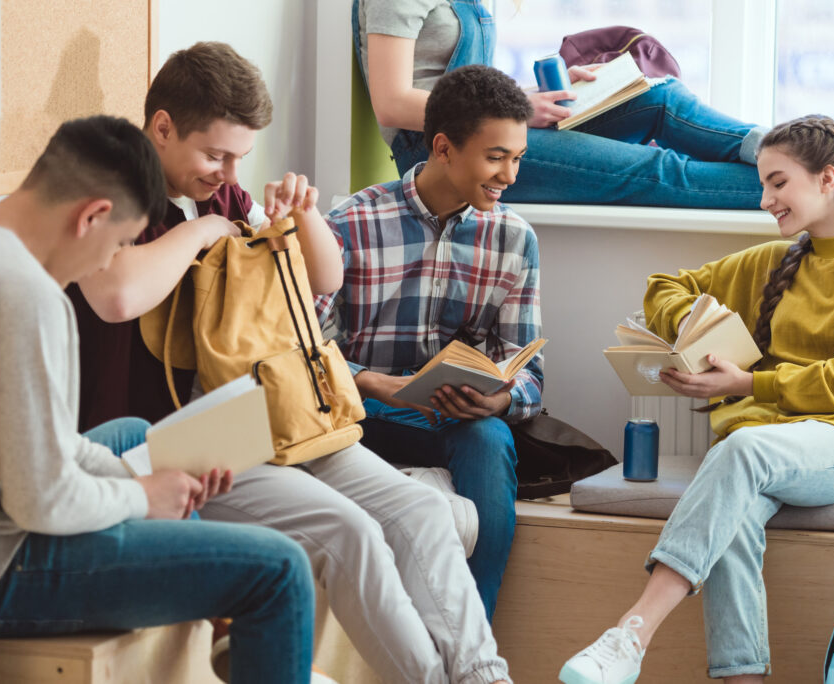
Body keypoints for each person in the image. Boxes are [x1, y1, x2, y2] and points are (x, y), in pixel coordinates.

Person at [70, 43, 512, 684]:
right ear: (161, 127)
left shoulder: (221, 195)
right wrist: (202, 233)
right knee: (351, 532)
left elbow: (323, 279)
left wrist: (302, 215)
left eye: (238, 159)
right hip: (168, 445)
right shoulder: (111, 190)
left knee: (418, 511)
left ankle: (483, 676)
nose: (226, 172)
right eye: (215, 155)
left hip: (265, 419)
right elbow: (115, 296)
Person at [558, 115, 834, 683]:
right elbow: (664, 285)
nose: (765, 200)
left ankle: (632, 632)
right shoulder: (769, 264)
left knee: (740, 452)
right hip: (765, 447)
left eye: (778, 182)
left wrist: (747, 384)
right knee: (732, 514)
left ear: (828, 178)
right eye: (763, 184)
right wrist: (695, 324)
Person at [0, 115, 315, 684]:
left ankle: (212, 605)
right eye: (117, 243)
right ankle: (227, 617)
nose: (103, 266)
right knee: (282, 569)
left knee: (132, 435)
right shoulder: (34, 298)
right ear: (91, 216)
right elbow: (41, 502)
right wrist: (141, 496)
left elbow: (40, 445)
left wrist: (132, 477)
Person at [317, 63, 543, 620]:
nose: (509, 175)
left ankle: (473, 648)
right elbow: (307, 356)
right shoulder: (349, 224)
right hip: (359, 413)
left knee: (489, 437)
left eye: (517, 157)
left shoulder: (515, 239)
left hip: (451, 421)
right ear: (443, 147)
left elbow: (531, 375)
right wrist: (375, 384)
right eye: (496, 157)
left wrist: (500, 398)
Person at [354, 0, 768, 209]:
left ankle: (788, 151)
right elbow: (391, 103)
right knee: (655, 169)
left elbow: (458, 82)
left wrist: (529, 96)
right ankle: (789, 187)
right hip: (445, 152)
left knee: (660, 99)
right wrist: (510, 111)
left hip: (488, 126)